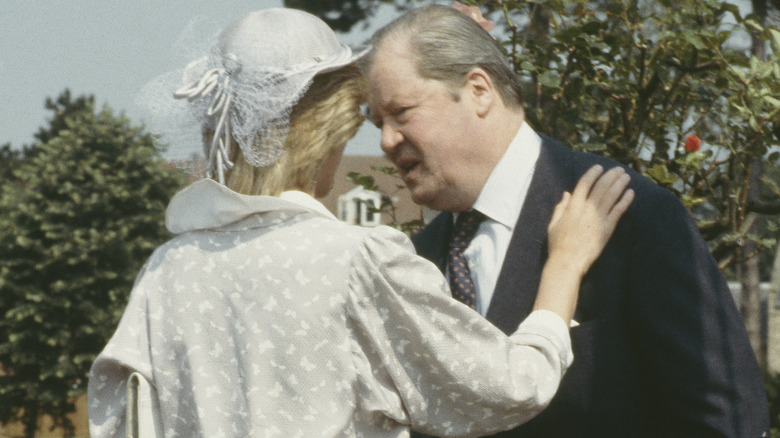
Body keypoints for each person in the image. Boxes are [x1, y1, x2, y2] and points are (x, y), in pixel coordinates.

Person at [87, 8, 634, 438]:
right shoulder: (352, 260)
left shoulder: (166, 273)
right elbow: (511, 387)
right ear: (327, 128)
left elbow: (118, 420)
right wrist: (564, 263)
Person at [362, 4, 769, 437]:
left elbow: (727, 420)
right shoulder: (418, 260)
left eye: (402, 112)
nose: (387, 140)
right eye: (377, 123)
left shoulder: (631, 215)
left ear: (479, 90)